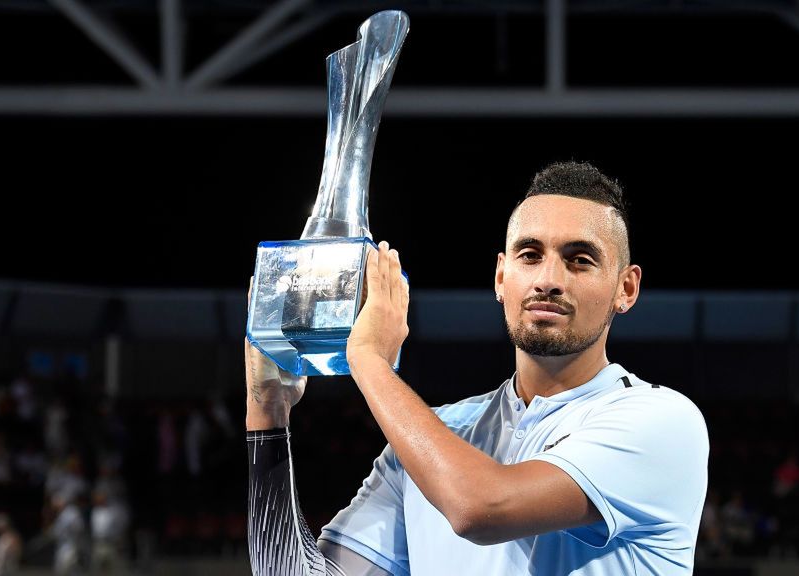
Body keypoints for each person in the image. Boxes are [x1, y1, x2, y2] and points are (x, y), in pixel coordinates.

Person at [245, 161, 710, 575]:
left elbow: (480, 507)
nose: (548, 280)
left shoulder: (662, 422)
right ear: (501, 277)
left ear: (626, 289)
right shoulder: (431, 440)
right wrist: (267, 411)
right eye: (530, 255)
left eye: (580, 260)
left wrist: (367, 359)